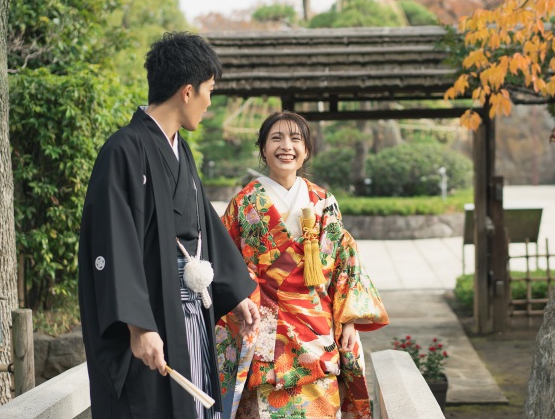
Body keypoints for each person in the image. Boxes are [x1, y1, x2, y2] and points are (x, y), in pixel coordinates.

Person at [78, 32, 260, 419]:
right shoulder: (123, 151)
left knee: (194, 406)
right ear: (188, 91)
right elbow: (113, 242)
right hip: (152, 308)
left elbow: (200, 224)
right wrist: (138, 326)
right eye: (210, 90)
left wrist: (234, 289)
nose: (211, 102)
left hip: (190, 309)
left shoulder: (181, 148)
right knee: (152, 404)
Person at [215, 111, 389, 419]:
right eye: (276, 138)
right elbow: (224, 264)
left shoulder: (323, 201)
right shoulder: (244, 203)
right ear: (263, 148)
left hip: (317, 332)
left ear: (306, 150)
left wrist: (348, 320)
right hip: (265, 334)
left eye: (296, 139)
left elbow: (344, 261)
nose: (287, 146)